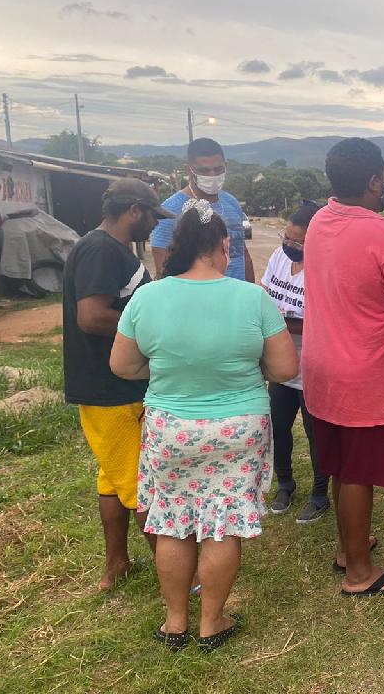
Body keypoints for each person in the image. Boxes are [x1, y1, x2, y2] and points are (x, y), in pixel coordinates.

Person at [110, 199, 298, 651]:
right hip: (239, 429)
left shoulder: (148, 297)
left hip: (172, 428)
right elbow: (285, 368)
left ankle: (175, 622)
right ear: (224, 244)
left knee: (172, 521)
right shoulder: (253, 298)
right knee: (223, 523)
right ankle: (212, 622)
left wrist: (171, 370)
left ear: (178, 244)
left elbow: (123, 365)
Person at [303, 138, 384, 596]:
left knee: (341, 466)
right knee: (358, 472)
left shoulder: (320, 220)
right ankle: (360, 572)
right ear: (376, 180)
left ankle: (348, 547)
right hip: (366, 377)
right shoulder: (383, 235)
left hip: (322, 371)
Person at [62, 178, 173, 591]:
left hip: (110, 384)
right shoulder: (101, 250)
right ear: (133, 210)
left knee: (113, 477)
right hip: (112, 388)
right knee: (140, 482)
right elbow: (91, 316)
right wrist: (152, 333)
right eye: (152, 216)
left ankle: (117, 565)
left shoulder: (111, 249)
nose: (154, 224)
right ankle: (183, 578)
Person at [262, 201, 331, 522]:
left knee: (315, 432)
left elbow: (324, 320)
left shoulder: (325, 269)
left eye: (297, 242)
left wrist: (279, 322)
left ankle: (320, 494)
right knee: (278, 426)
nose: (289, 245)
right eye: (286, 237)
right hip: (280, 361)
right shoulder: (279, 258)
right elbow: (264, 297)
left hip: (313, 365)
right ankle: (285, 483)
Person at [150, 137, 255, 282]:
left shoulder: (232, 203)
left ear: (226, 166)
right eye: (204, 170)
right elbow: (163, 269)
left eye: (218, 169)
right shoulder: (170, 211)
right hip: (196, 295)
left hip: (237, 293)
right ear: (189, 170)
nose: (212, 175)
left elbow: (243, 254)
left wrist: (251, 290)